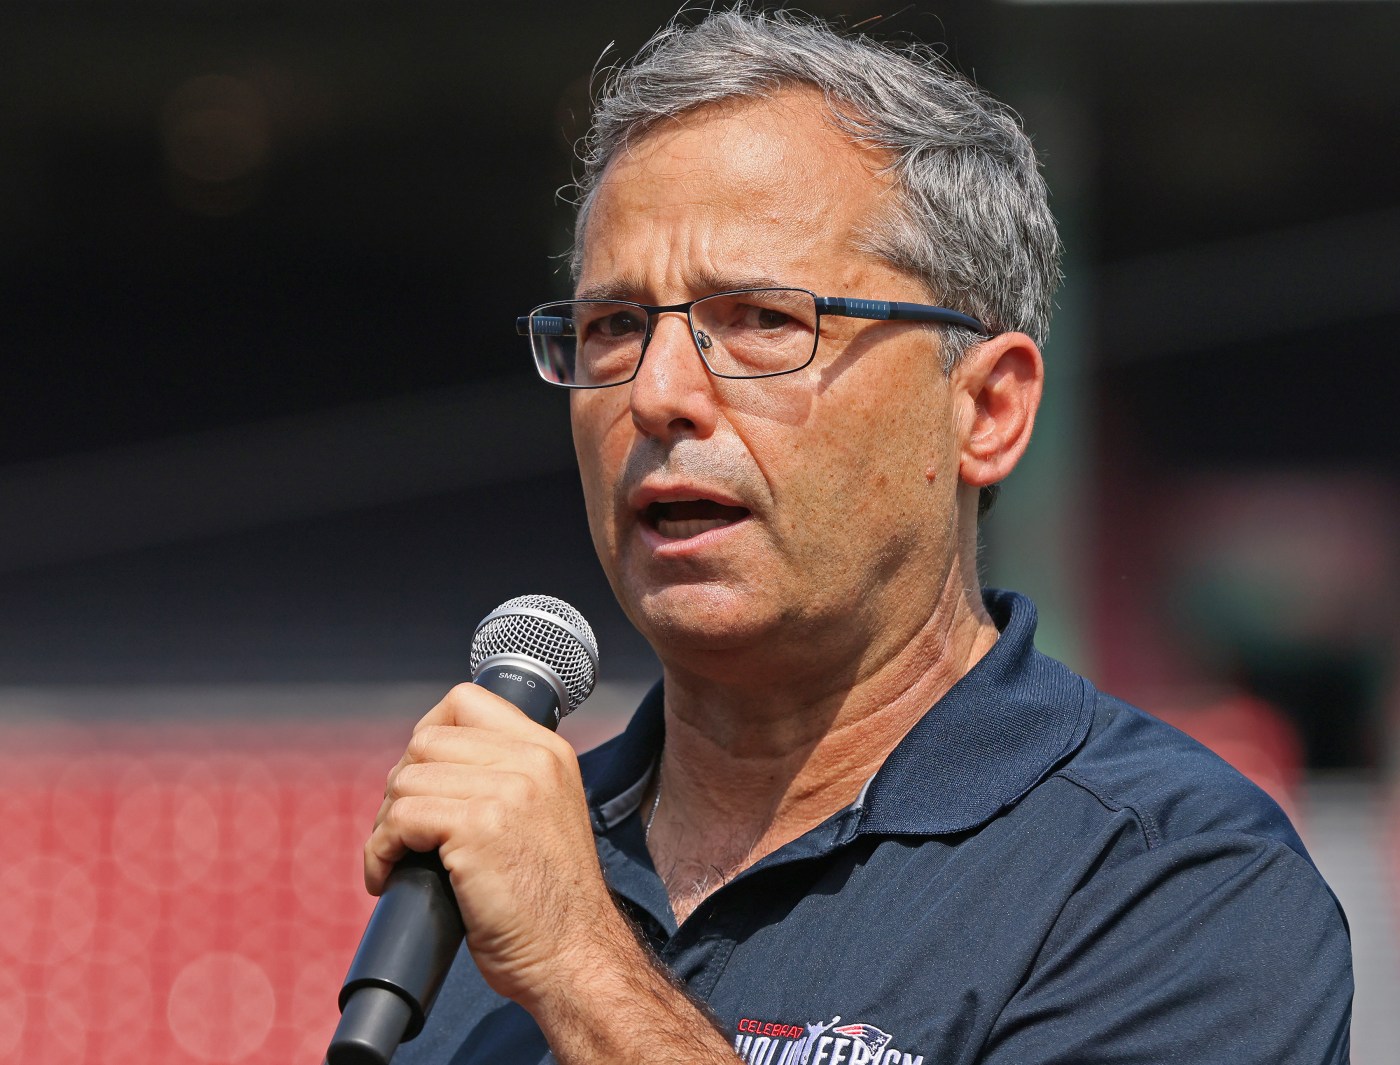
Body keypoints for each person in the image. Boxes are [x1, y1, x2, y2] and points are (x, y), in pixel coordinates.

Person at [365, 9, 1353, 1064]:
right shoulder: (485, 871)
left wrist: (580, 965)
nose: (655, 394)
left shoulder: (1176, 882)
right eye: (613, 326)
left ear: (987, 410)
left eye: (760, 320)